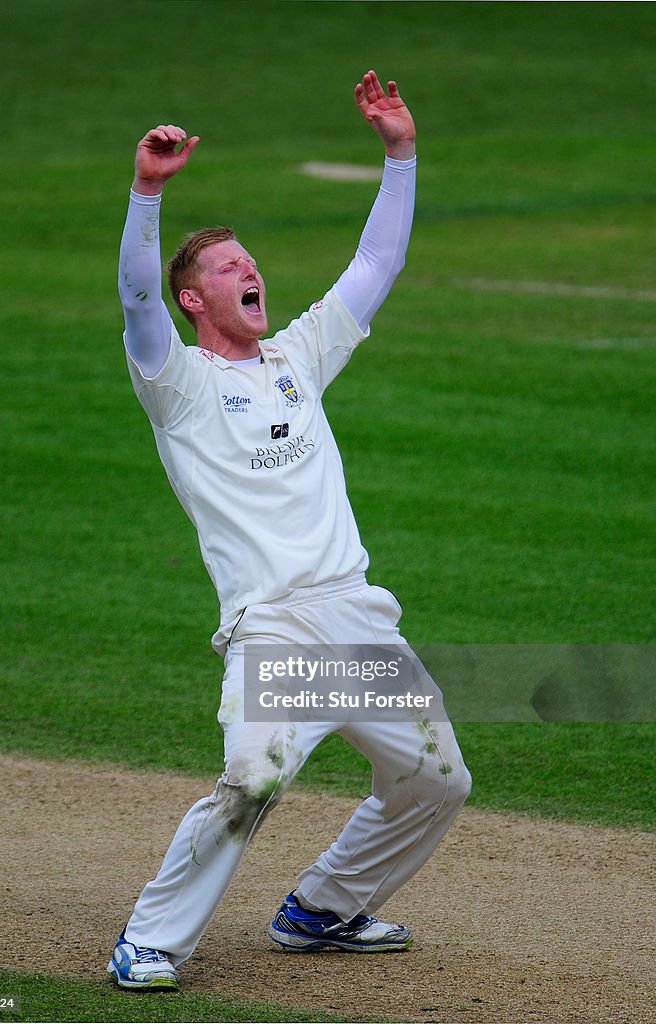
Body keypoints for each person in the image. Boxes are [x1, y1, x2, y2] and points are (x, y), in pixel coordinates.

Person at [108, 70, 471, 991]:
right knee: (253, 779)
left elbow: (377, 264)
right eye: (227, 268)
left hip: (355, 616)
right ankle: (149, 940)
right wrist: (148, 195)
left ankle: (322, 908)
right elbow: (137, 302)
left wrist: (400, 155)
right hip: (276, 624)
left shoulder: (299, 357)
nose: (249, 271)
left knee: (437, 780)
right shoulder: (178, 385)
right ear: (197, 300)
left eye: (249, 261)